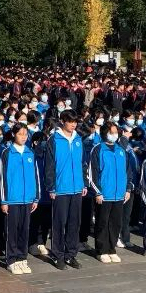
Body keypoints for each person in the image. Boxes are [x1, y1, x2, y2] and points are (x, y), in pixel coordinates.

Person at [44, 110, 86, 270]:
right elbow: (49, 165)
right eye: (70, 121)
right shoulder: (54, 140)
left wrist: (83, 184)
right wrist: (51, 187)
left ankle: (70, 254)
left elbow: (83, 163)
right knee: (59, 223)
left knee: (74, 223)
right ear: (62, 121)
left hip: (76, 188)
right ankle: (57, 255)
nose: (73, 124)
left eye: (75, 121)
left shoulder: (78, 139)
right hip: (60, 188)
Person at [87, 120, 130, 263]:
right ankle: (101, 250)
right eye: (112, 132)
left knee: (116, 223)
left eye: (116, 132)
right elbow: (92, 173)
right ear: (105, 133)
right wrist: (97, 192)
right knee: (102, 222)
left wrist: (128, 189)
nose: (115, 135)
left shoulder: (121, 150)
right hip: (104, 194)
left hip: (119, 194)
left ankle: (112, 249)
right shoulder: (98, 149)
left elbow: (127, 171)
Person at [1, 122, 40, 273]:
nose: (23, 137)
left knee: (25, 229)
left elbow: (36, 176)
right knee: (12, 230)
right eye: (20, 134)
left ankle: (22, 258)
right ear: (13, 134)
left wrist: (36, 197)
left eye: (25, 134)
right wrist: (4, 200)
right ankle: (11, 259)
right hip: (13, 199)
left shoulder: (30, 153)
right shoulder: (7, 153)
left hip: (27, 198)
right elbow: (2, 177)